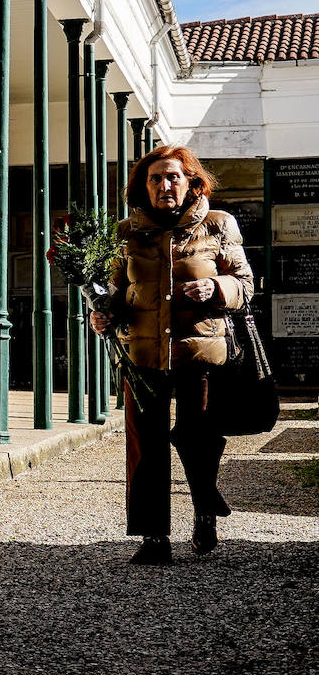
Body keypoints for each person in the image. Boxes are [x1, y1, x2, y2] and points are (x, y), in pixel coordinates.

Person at [91, 145, 253, 566]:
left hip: (200, 352)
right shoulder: (126, 232)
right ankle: (153, 536)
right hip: (142, 354)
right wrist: (103, 314)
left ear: (191, 182)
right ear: (144, 187)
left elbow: (245, 284)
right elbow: (115, 290)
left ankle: (204, 513)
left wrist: (216, 288)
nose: (164, 185)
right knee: (144, 444)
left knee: (198, 439)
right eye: (155, 178)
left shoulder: (218, 224)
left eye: (173, 177)